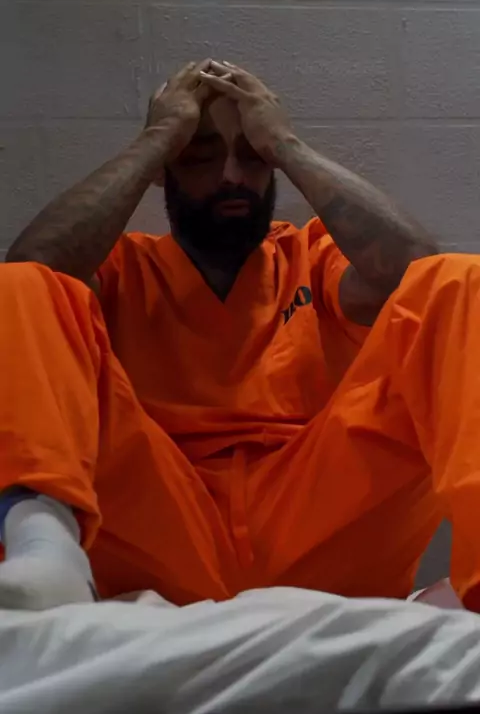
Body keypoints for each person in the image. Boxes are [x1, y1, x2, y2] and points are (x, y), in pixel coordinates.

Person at [0, 58, 476, 612]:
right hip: (162, 526)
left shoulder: (311, 257)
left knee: (460, 281)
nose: (231, 176)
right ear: (164, 170)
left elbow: (414, 270)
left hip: (321, 524)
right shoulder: (121, 269)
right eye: (200, 156)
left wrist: (286, 144)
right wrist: (159, 137)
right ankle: (47, 551)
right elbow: (32, 265)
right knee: (22, 286)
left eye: (252, 157)